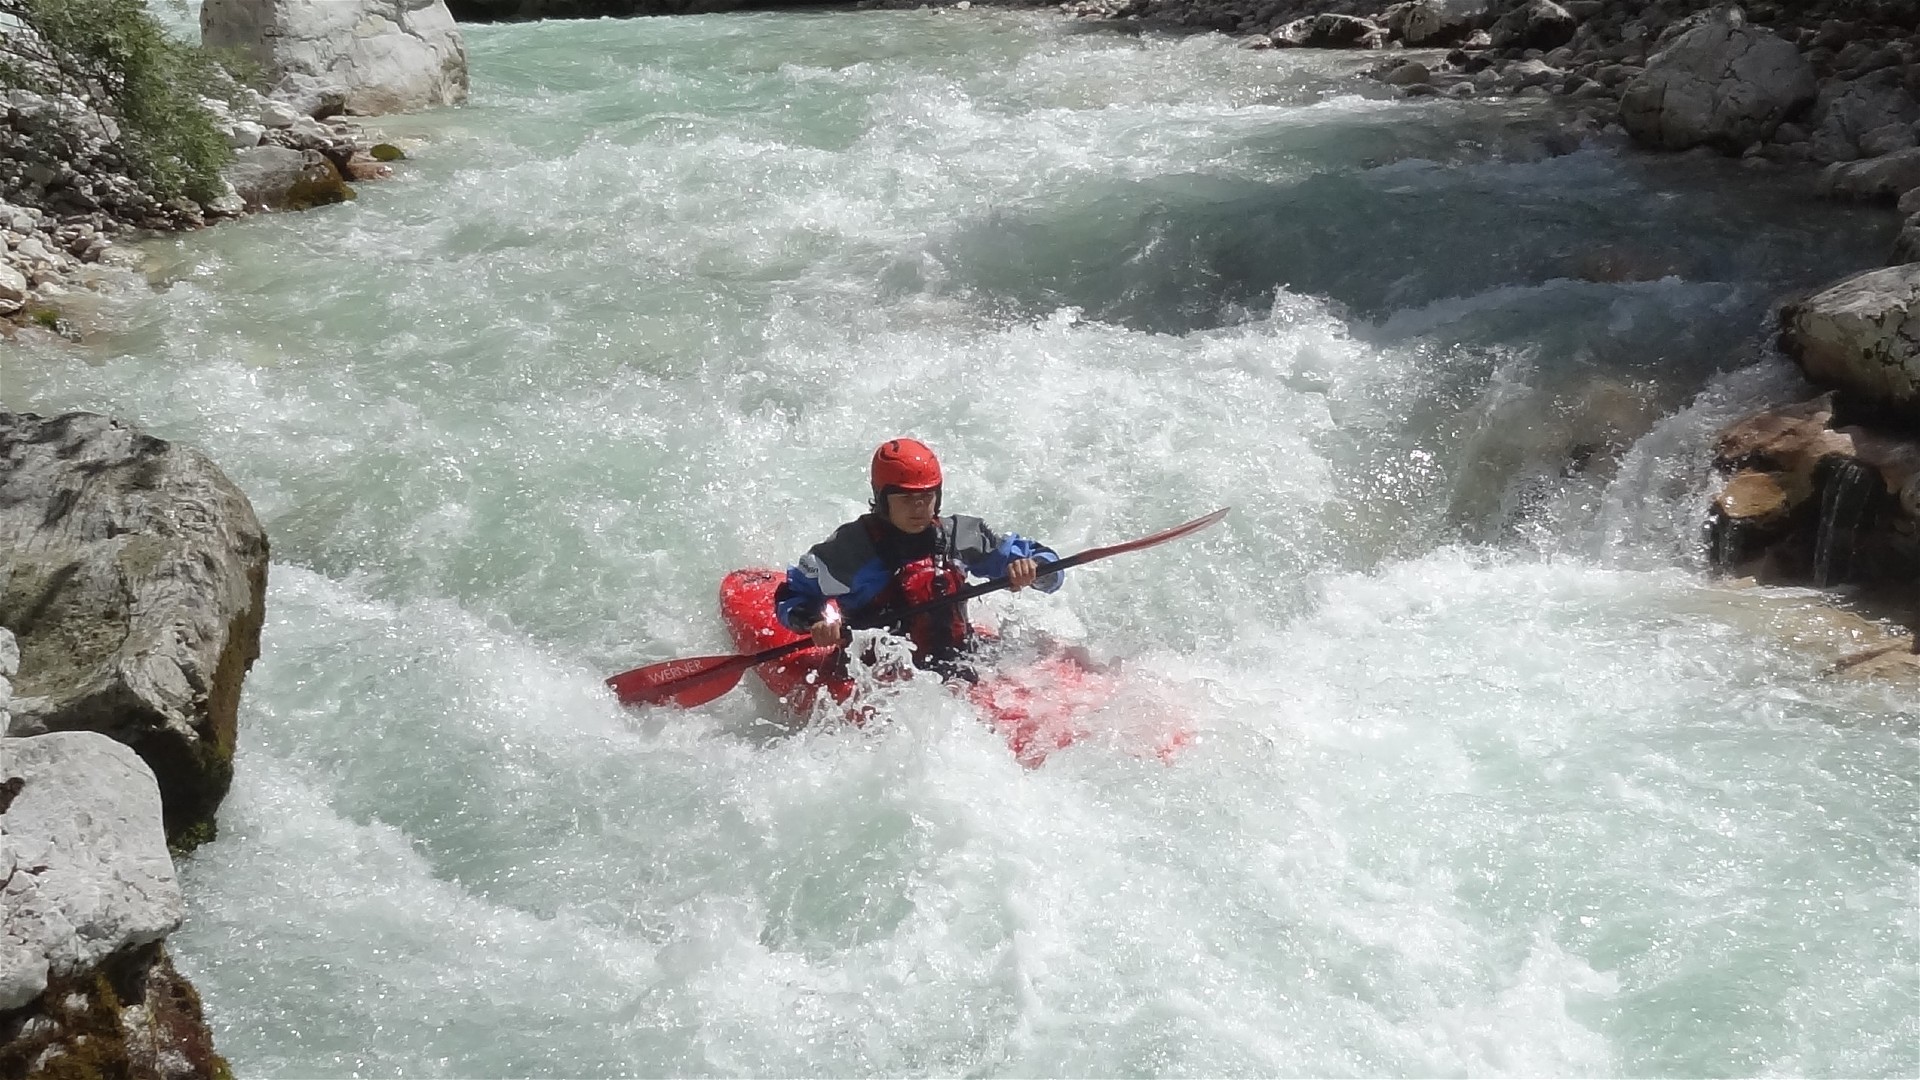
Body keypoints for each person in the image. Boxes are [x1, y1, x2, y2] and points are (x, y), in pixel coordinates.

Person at [774, 437, 1063, 680]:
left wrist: (1034, 570)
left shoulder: (959, 536)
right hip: (879, 676)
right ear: (882, 498)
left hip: (958, 658)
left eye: (926, 497)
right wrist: (815, 622)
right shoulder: (850, 550)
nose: (919, 508)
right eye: (906, 499)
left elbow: (1049, 565)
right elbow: (793, 594)